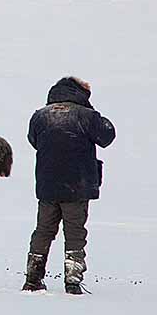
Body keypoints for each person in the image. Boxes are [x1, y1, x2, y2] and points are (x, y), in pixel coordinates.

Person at [23, 77, 115, 295]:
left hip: (47, 184)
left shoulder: (40, 115)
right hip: (77, 184)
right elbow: (107, 135)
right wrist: (89, 110)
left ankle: (33, 279)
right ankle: (72, 282)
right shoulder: (86, 115)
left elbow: (33, 140)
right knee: (74, 233)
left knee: (43, 230)